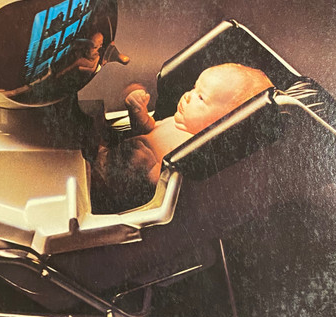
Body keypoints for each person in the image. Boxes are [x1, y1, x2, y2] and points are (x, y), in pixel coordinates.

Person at [91, 63, 273, 209]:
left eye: (201, 98)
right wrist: (138, 113)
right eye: (194, 87)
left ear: (221, 123)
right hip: (107, 160)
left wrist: (149, 168)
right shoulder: (177, 121)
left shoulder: (190, 147)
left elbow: (165, 187)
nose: (187, 96)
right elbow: (147, 130)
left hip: (115, 187)